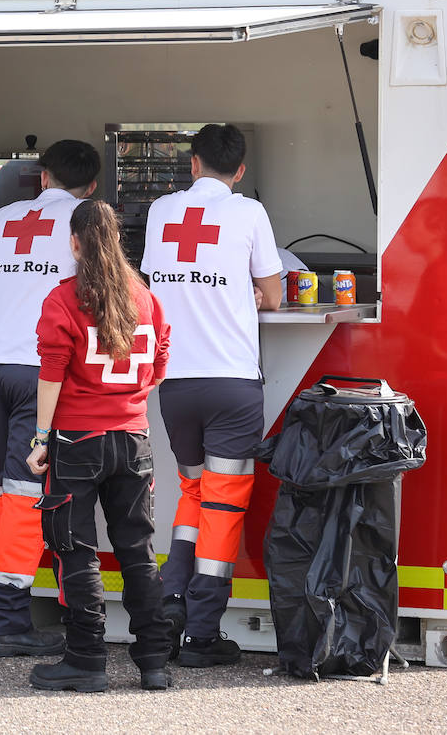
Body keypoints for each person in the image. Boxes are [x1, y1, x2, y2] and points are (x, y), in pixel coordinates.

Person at [141, 123, 282, 668]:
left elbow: (155, 284)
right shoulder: (250, 212)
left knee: (194, 490)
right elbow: (273, 294)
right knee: (223, 505)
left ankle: (172, 597)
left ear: (193, 163)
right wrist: (247, 292)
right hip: (231, 384)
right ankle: (201, 633)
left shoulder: (161, 211)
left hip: (174, 382)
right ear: (240, 170)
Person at [0, 139, 99, 658]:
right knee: (27, 497)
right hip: (43, 372)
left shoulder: (4, 218)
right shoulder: (85, 220)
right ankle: (5, 620)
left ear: (42, 178)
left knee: (3, 493)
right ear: (93, 186)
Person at [26, 200, 173, 692]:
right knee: (138, 551)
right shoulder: (146, 299)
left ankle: (86, 660)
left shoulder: (63, 299)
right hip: (133, 441)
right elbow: (159, 369)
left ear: (75, 243)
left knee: (76, 551)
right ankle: (154, 663)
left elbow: (51, 374)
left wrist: (41, 439)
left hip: (76, 442)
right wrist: (123, 403)